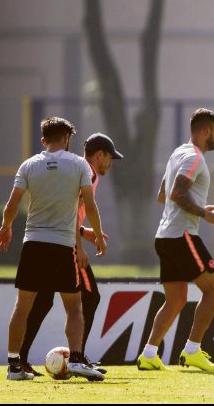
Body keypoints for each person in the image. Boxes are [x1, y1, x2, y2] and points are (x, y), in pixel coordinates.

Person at [0, 117, 107, 381]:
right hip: (63, 245)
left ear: (43, 140)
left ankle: (13, 365)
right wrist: (98, 235)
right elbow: (90, 207)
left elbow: (12, 205)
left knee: (22, 307)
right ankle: (77, 360)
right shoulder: (79, 164)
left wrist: (6, 227)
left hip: (32, 244)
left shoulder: (29, 165)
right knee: (74, 308)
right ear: (67, 139)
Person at [18, 133, 124, 377]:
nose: (111, 163)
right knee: (90, 296)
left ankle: (21, 359)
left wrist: (84, 231)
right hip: (65, 245)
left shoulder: (73, 166)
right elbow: (74, 210)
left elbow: (65, 209)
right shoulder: (88, 172)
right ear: (100, 155)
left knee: (43, 301)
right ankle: (77, 357)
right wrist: (79, 247)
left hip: (47, 240)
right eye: (110, 158)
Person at [137, 108, 214, 372]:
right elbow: (175, 193)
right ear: (206, 130)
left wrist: (200, 206)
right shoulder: (195, 158)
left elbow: (162, 195)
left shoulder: (177, 153)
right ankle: (192, 350)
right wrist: (203, 213)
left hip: (164, 236)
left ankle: (149, 354)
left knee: (175, 299)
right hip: (182, 235)